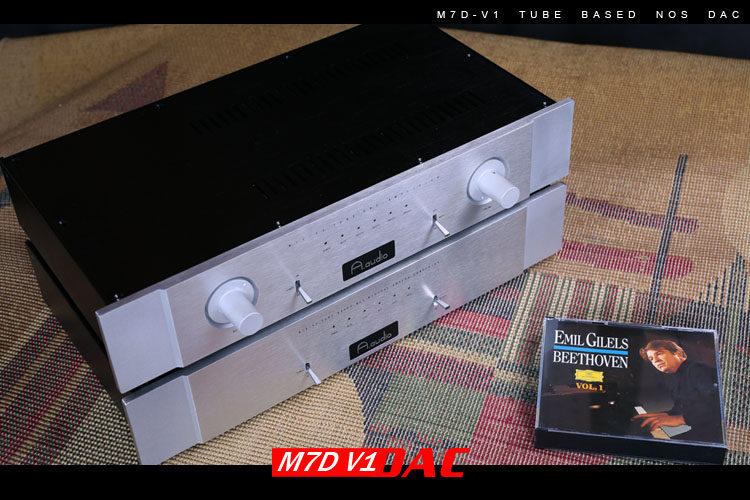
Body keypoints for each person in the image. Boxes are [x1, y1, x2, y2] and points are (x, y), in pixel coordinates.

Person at [630, 339, 723, 442]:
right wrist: (669, 414)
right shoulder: (673, 378)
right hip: (703, 431)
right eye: (651, 359)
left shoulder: (698, 369)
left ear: (677, 353)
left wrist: (681, 419)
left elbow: (717, 404)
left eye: (659, 354)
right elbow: (684, 406)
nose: (655, 361)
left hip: (720, 434)